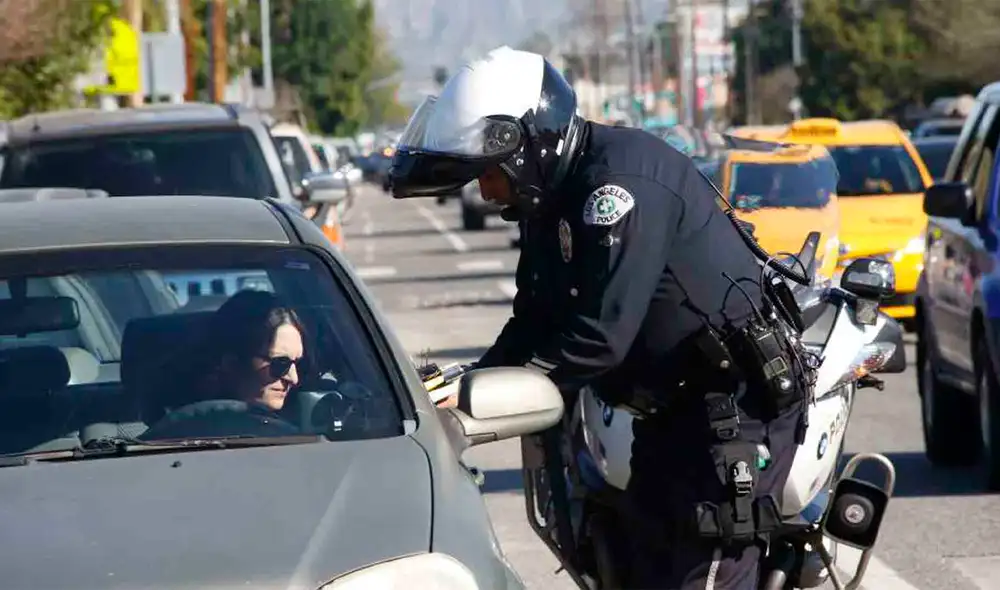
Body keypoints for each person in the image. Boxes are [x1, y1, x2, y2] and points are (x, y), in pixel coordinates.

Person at [390, 45, 810, 589]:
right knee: (633, 567)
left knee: (701, 570)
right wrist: (466, 388)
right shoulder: (550, 197)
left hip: (733, 410)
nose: (485, 192)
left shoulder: (617, 187)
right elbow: (533, 321)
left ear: (526, 147)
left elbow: (598, 338)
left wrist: (494, 398)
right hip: (668, 414)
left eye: (488, 174)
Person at [142, 290, 306, 439]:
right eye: (280, 363)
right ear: (230, 362)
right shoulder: (167, 431)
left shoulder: (305, 436)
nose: (294, 378)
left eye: (297, 363)